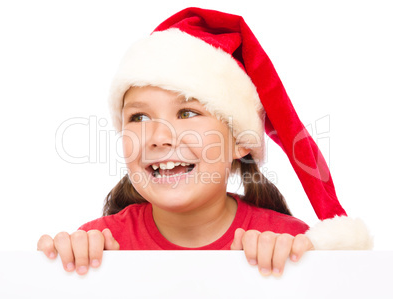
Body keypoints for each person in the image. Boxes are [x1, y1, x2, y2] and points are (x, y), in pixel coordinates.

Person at [37, 7, 372, 276]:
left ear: (240, 140)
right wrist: (59, 271)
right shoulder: (98, 249)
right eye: (138, 118)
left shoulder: (289, 246)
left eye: (187, 112)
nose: (159, 137)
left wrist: (305, 272)